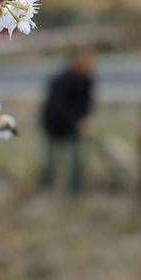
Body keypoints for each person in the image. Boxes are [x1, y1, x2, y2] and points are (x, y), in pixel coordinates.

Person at [39, 47, 95, 193]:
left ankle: (74, 189)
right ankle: (46, 187)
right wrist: (77, 121)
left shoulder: (88, 80)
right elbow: (56, 108)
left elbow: (87, 104)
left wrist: (86, 120)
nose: (87, 64)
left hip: (73, 127)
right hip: (53, 125)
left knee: (77, 158)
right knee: (50, 160)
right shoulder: (60, 81)